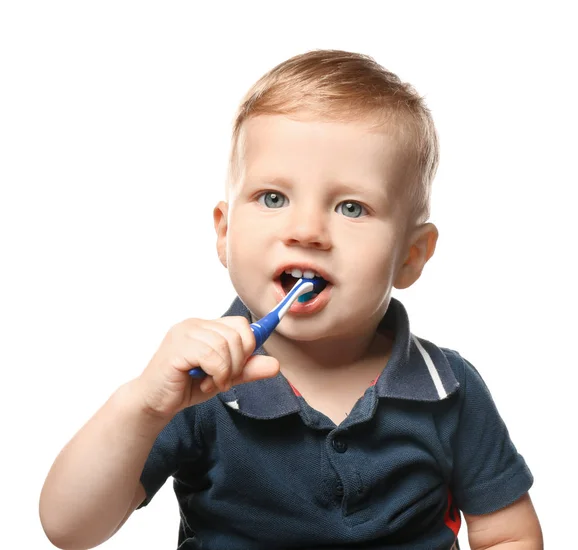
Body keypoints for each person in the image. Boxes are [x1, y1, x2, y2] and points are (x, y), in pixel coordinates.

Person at [39, 49, 543, 549]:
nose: (306, 231)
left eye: (351, 207)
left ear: (411, 256)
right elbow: (69, 528)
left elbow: (508, 535)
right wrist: (141, 406)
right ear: (224, 231)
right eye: (274, 198)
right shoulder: (198, 385)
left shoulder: (449, 390)